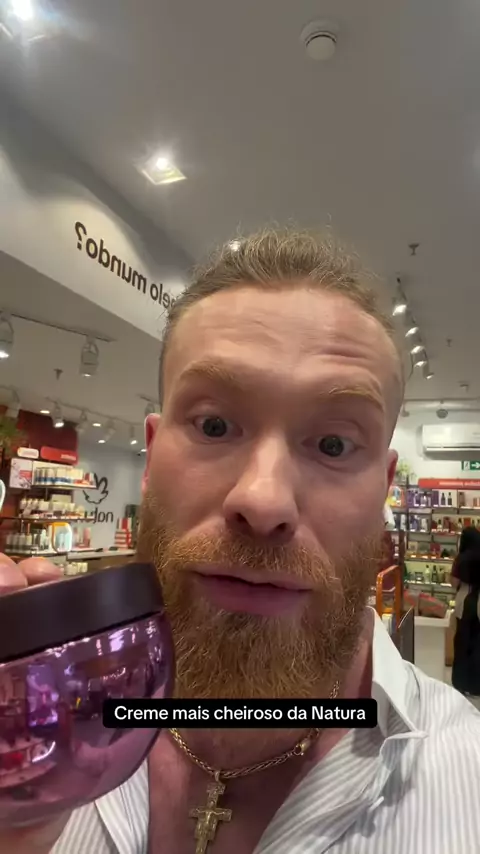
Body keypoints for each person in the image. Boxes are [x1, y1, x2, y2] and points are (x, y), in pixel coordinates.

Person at [1, 229, 480, 854]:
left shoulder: (466, 786)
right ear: (151, 456)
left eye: (334, 444)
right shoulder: (35, 743)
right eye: (214, 425)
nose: (263, 500)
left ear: (384, 489)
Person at [451, 526, 480, 696]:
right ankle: (476, 685)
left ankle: (460, 683)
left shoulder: (461, 558)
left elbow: (454, 582)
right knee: (477, 644)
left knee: (462, 642)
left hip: (465, 601)